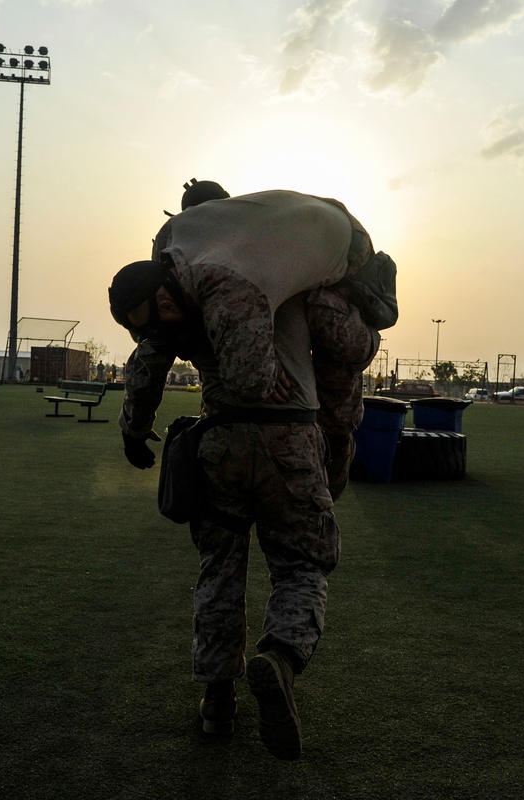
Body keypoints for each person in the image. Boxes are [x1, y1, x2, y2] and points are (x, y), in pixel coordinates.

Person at [109, 272, 339, 761]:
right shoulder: (275, 266)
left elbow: (149, 361)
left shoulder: (185, 283)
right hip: (292, 439)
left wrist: (134, 428)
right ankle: (279, 654)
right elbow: (343, 355)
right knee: (302, 564)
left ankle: (218, 699)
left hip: (222, 443)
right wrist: (340, 437)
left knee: (221, 568)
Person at [142, 187, 395, 498]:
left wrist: (135, 424)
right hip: (340, 232)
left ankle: (334, 456)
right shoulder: (242, 240)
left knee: (340, 380)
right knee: (338, 394)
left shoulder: (221, 256)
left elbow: (155, 342)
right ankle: (332, 460)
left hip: (345, 252)